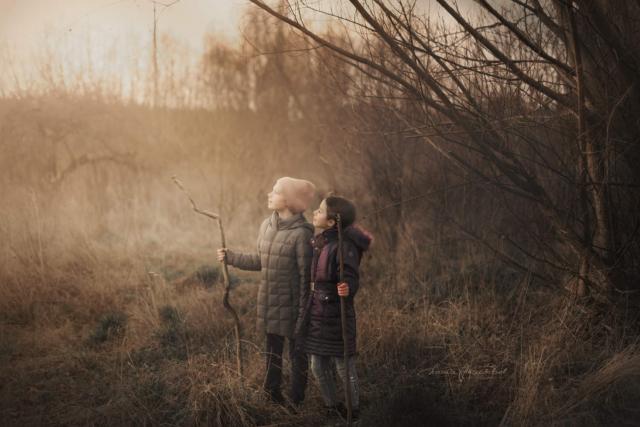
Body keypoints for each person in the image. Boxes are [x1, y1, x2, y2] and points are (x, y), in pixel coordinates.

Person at [217, 177, 315, 405]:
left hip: (293, 305)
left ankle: (296, 401)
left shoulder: (303, 235)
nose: (270, 195)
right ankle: (272, 394)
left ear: (289, 200)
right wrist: (231, 257)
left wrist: (304, 314)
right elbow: (261, 260)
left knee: (297, 354)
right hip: (269, 301)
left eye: (276, 191)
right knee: (272, 352)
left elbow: (306, 279)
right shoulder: (267, 225)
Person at [296, 195, 372, 421]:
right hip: (317, 312)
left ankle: (353, 410)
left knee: (343, 367)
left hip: (337, 315)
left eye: (319, 211)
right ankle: (332, 405)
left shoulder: (344, 247)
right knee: (317, 366)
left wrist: (348, 288)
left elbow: (350, 275)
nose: (315, 213)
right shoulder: (320, 242)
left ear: (331, 222)